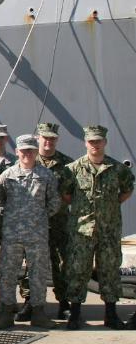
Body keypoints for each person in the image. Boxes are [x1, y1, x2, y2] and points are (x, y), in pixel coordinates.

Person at [62, 125, 134, 330]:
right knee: (78, 270)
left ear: (105, 142)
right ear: (86, 143)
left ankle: (111, 315)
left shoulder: (118, 169)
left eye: (99, 141)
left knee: (110, 271)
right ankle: (74, 315)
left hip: (109, 230)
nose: (95, 145)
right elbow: (66, 195)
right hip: (81, 231)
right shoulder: (73, 169)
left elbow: (127, 190)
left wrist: (110, 207)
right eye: (92, 141)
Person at [0, 135, 59, 329]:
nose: (27, 154)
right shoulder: (7, 176)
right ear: (17, 152)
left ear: (35, 151)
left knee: (38, 274)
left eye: (31, 150)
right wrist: (13, 218)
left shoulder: (46, 176)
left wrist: (38, 217)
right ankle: (6, 313)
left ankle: (38, 312)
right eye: (23, 151)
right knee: (8, 274)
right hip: (12, 235)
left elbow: (54, 202)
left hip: (37, 234)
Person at [17, 122, 74, 322]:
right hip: (32, 224)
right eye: (45, 138)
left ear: (56, 140)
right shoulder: (29, 160)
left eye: (52, 138)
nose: (48, 141)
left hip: (58, 222)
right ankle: (29, 303)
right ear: (38, 138)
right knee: (30, 263)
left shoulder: (67, 164)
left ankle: (64, 303)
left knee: (61, 263)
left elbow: (71, 193)